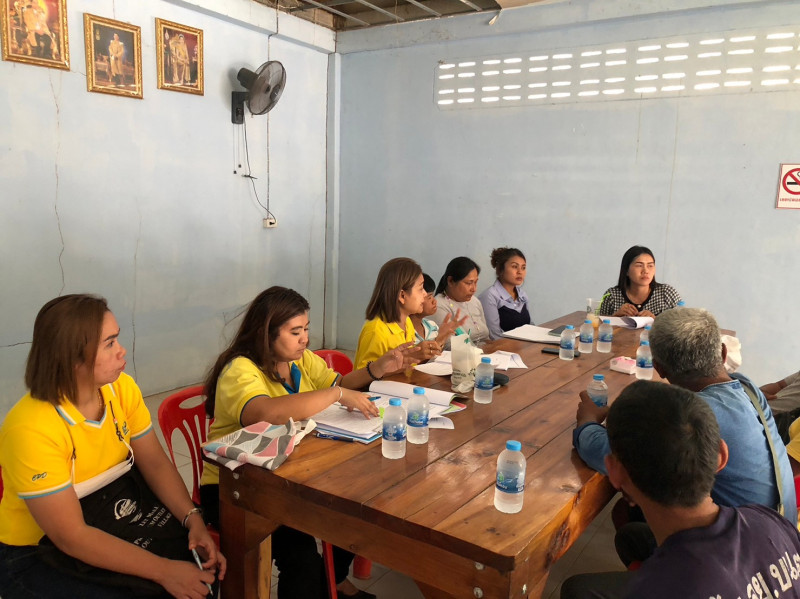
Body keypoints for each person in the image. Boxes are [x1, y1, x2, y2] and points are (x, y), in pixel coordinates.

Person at [0, 294, 225, 599]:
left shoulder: (121, 389)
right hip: (35, 553)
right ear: (72, 357)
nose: (122, 351)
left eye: (117, 338)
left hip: (108, 513)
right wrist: (164, 571)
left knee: (203, 571)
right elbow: (70, 536)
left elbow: (155, 464)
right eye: (109, 344)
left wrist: (193, 519)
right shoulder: (30, 428)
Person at [199, 286, 411, 599]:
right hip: (235, 485)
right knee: (301, 559)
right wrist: (336, 395)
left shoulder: (299, 360)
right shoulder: (240, 369)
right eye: (295, 332)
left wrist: (377, 368)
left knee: (354, 515)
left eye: (306, 329)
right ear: (266, 334)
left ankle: (333, 583)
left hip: (289, 472)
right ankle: (323, 584)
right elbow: (265, 413)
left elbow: (339, 383)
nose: (305, 339)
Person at [574, 307, 796, 565]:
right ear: (723, 354)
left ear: (659, 368)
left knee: (632, 526)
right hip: (781, 536)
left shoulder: (695, 417)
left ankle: (669, 576)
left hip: (746, 560)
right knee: (632, 519)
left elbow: (610, 454)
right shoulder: (747, 390)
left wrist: (587, 422)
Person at [562, 381, 800, 599]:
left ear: (614, 472)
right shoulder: (770, 519)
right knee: (631, 536)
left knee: (577, 588)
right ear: (721, 456)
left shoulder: (652, 591)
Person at [354, 258, 440, 370]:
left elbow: (406, 367)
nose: (424, 294)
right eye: (420, 289)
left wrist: (419, 355)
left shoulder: (407, 322)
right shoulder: (376, 331)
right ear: (402, 296)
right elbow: (364, 377)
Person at [598, 245, 681, 318]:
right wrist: (615, 316)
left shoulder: (667, 293)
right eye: (639, 265)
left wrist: (655, 320)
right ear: (626, 270)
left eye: (650, 266)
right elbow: (599, 326)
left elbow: (684, 324)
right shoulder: (612, 295)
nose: (646, 271)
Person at [429, 256, 490, 347]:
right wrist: (491, 349)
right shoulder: (439, 306)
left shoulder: (475, 301)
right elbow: (450, 346)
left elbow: (486, 338)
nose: (474, 289)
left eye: (476, 282)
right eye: (469, 283)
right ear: (450, 281)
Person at [478, 247, 532, 339]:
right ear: (500, 270)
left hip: (525, 345)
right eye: (514, 267)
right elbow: (494, 336)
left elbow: (530, 326)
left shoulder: (522, 294)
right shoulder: (489, 296)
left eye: (523, 268)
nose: (520, 272)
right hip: (502, 347)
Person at [409, 274, 466, 346]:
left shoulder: (432, 326)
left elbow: (438, 351)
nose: (434, 301)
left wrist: (441, 340)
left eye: (433, 296)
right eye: (429, 297)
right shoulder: (403, 330)